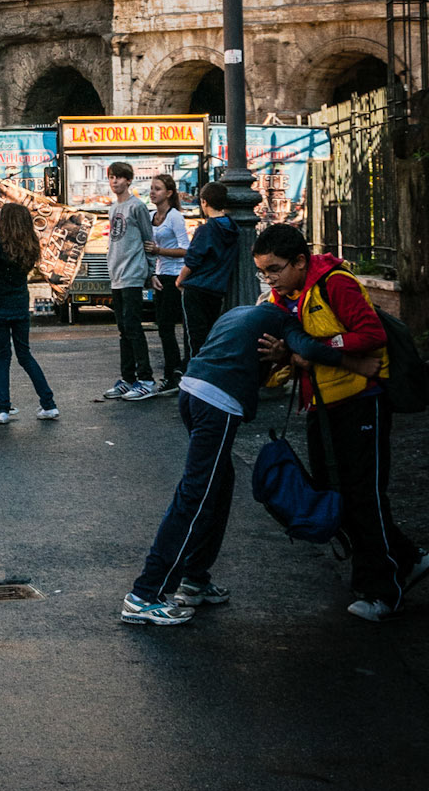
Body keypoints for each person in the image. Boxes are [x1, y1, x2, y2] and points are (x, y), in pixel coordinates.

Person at [121, 281, 382, 627]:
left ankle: (195, 579)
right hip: (217, 403)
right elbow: (307, 349)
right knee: (196, 495)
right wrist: (356, 364)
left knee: (218, 486)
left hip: (191, 393)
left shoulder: (237, 314)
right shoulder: (283, 320)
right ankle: (145, 594)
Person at [254, 223, 428, 622]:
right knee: (336, 494)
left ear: (300, 261)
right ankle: (407, 558)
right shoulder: (283, 298)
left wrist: (315, 349)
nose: (270, 279)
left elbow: (370, 333)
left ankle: (383, 592)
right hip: (321, 406)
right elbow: (290, 358)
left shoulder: (336, 283)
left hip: (362, 402)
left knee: (363, 496)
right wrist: (287, 355)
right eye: (263, 272)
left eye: (275, 269)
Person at [0, 202, 59, 423]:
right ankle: (48, 403)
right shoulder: (29, 247)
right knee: (24, 355)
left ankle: (2, 409)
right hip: (20, 304)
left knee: (2, 357)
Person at [104, 162, 156, 401]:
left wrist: (151, 272)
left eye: (119, 177)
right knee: (123, 330)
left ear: (128, 180)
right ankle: (128, 378)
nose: (114, 181)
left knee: (133, 327)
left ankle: (146, 379)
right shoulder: (113, 208)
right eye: (111, 177)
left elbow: (148, 240)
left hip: (133, 273)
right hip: (116, 275)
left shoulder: (137, 206)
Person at [177, 179, 239, 357]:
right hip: (216, 290)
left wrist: (180, 280)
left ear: (204, 202)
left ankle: (192, 368)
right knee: (211, 334)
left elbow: (192, 260)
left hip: (196, 288)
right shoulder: (234, 229)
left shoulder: (206, 230)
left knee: (194, 336)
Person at [149, 173, 189, 389]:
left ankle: (173, 373)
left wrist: (159, 250)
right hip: (160, 275)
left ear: (169, 193)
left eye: (157, 189)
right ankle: (174, 370)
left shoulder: (175, 217)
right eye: (151, 188)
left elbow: (185, 250)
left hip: (176, 275)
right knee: (163, 327)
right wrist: (152, 274)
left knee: (168, 325)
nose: (152, 192)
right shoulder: (151, 216)